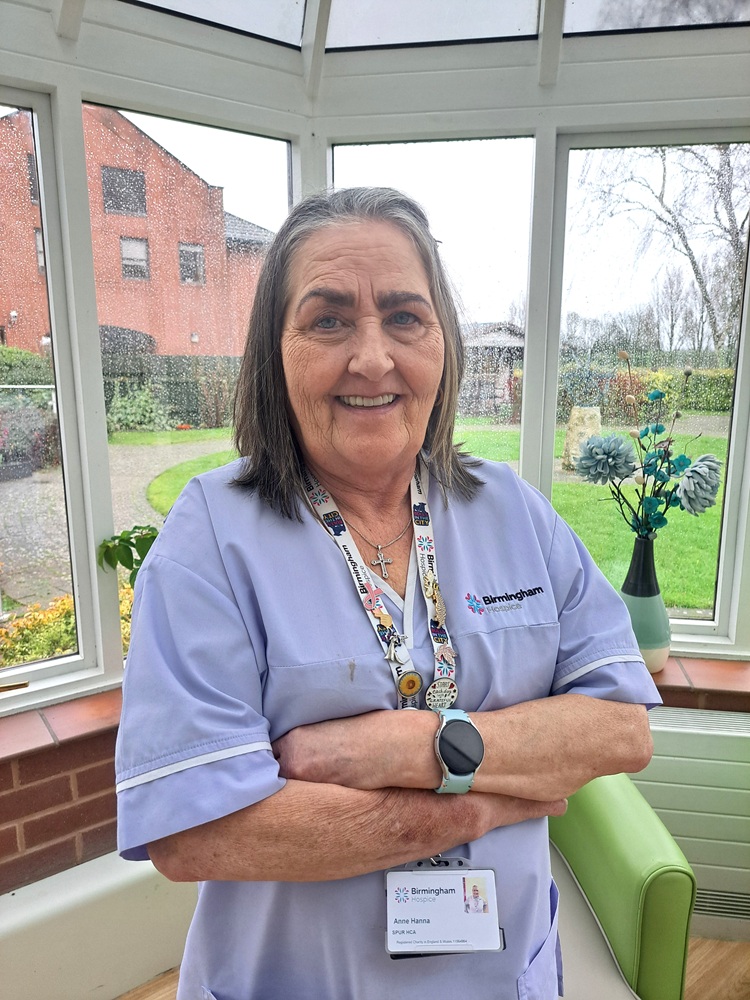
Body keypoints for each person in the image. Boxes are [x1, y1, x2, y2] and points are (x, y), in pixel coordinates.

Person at [115, 186, 660, 1000]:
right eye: (329, 320)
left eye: (405, 316)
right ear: (274, 351)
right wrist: (486, 800)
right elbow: (196, 832)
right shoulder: (210, 542)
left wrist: (408, 750)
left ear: (444, 345)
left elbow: (619, 730)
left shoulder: (513, 512)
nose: (372, 358)